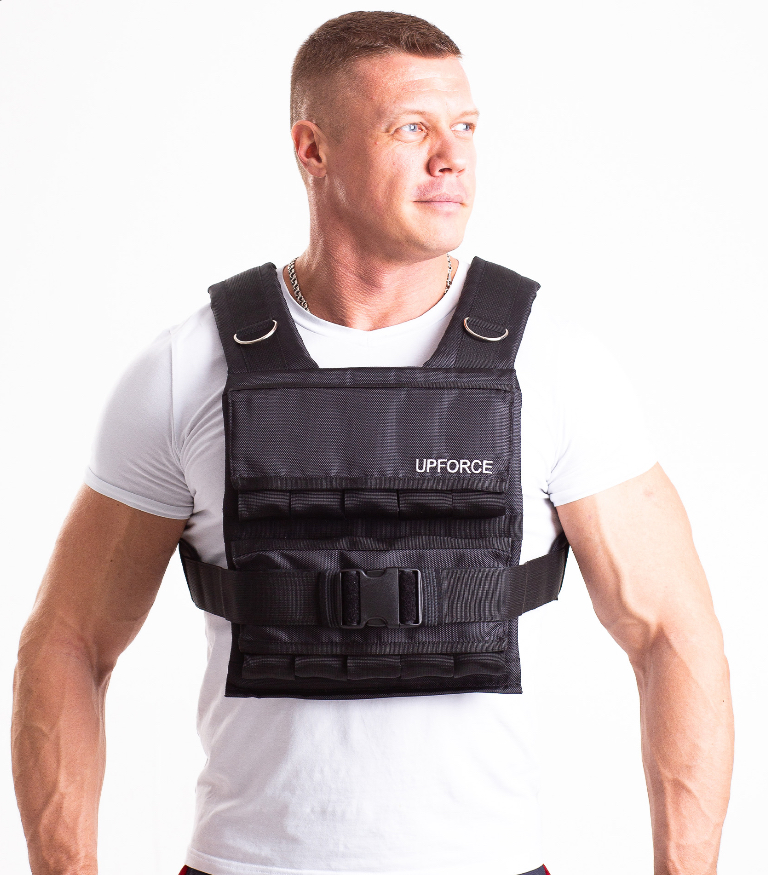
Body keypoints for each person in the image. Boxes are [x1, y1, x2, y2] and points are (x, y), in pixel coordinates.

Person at [12, 10, 733, 875]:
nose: (452, 157)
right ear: (312, 149)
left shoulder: (555, 365)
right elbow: (68, 639)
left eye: (466, 126)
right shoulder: (188, 368)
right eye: (412, 128)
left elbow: (674, 634)